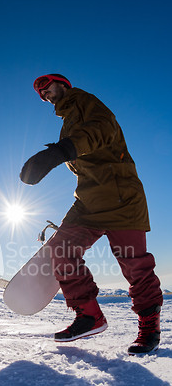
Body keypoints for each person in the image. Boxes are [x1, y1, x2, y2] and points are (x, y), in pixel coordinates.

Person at [20, 74, 163, 355]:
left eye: (46, 85)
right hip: (87, 200)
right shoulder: (66, 122)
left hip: (121, 197)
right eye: (40, 93)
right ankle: (88, 316)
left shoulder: (86, 102)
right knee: (59, 249)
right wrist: (59, 152)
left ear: (62, 83)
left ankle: (150, 329)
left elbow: (100, 131)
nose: (44, 93)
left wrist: (59, 152)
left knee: (135, 266)